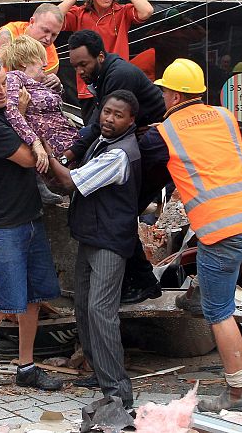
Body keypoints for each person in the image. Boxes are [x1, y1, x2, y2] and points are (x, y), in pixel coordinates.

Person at [139, 58, 242, 412]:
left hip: (221, 225)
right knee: (217, 267)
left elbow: (145, 156)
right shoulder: (226, 116)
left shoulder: (164, 134)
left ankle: (238, 394)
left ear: (173, 95)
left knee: (220, 313)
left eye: (165, 91)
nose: (163, 96)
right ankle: (202, 292)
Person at [0, 56, 63, 409]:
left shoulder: (6, 113)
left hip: (29, 217)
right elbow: (28, 158)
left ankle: (26, 366)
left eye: (4, 83)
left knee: (33, 298)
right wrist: (24, 116)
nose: (2, 91)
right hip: (2, 225)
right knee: (1, 303)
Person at [47, 91, 141, 409]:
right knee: (84, 306)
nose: (109, 119)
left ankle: (118, 391)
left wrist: (43, 152)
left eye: (117, 115)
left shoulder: (120, 154)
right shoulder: (103, 141)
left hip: (109, 242)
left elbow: (73, 182)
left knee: (101, 312)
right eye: (106, 112)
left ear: (131, 121)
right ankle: (98, 372)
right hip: (92, 236)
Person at [64, 29, 165, 304]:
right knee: (123, 214)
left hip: (152, 150)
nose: (80, 71)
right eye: (74, 66)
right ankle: (141, 280)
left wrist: (70, 154)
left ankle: (144, 282)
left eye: (83, 64)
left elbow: (99, 123)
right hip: (141, 144)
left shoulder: (118, 75)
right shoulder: (103, 74)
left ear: (100, 56)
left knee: (123, 215)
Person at [58, 0, 154, 120]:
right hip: (88, 88)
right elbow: (54, 16)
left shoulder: (122, 12)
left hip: (117, 84)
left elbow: (147, 11)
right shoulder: (79, 13)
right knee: (93, 132)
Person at [1, 35, 80, 163]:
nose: (45, 63)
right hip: (55, 154)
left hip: (70, 144)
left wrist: (58, 87)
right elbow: (10, 110)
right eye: (40, 59)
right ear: (23, 62)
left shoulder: (37, 83)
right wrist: (35, 142)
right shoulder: (13, 77)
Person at [0, 3, 64, 76]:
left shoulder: (52, 60)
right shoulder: (8, 34)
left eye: (54, 35)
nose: (48, 39)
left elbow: (39, 88)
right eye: (45, 31)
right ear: (32, 22)